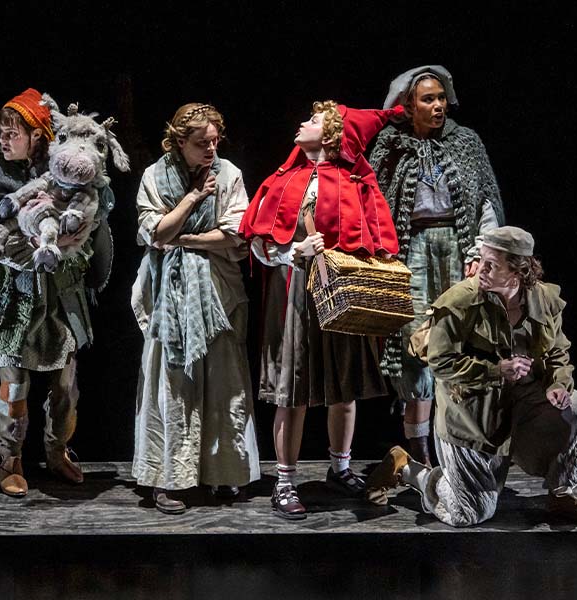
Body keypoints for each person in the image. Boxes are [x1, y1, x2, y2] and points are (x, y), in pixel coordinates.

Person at [366, 226, 577, 526]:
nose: (481, 268)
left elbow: (558, 352)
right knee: (469, 513)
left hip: (522, 405)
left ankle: (560, 496)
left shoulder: (542, 299)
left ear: (518, 271)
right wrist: (496, 371)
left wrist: (558, 383)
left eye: (492, 264)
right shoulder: (460, 302)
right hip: (471, 415)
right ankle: (406, 469)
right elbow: (441, 363)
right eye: (481, 259)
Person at [239, 101, 403, 520]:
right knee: (291, 391)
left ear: (331, 136)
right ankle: (285, 481)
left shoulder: (354, 182)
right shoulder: (285, 179)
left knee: (344, 388)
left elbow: (376, 234)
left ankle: (340, 467)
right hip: (294, 292)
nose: (301, 122)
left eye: (313, 120)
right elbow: (257, 240)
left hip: (340, 292)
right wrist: (291, 251)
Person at [0, 88, 111, 497]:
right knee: (15, 384)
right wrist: (28, 247)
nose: (4, 141)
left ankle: (57, 451)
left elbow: (97, 214)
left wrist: (73, 243)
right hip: (11, 294)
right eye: (3, 133)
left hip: (58, 291)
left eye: (13, 133)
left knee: (65, 382)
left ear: (39, 135)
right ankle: (10, 459)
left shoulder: (63, 168)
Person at [368, 65, 507, 466]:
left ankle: (463, 443)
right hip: (409, 250)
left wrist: (479, 252)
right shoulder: (390, 145)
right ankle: (421, 450)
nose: (438, 105)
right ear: (408, 105)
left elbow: (485, 201)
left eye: (441, 97)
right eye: (428, 99)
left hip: (458, 247)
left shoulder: (466, 142)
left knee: (460, 338)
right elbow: (374, 204)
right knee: (415, 343)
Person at [130, 103, 261, 515]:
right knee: (172, 385)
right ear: (179, 142)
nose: (211, 148)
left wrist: (186, 240)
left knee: (226, 383)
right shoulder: (155, 176)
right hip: (169, 297)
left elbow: (235, 235)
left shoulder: (230, 174)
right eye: (201, 143)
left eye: (215, 140)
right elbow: (155, 232)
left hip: (219, 293)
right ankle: (170, 479)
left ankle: (225, 472)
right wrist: (192, 199)